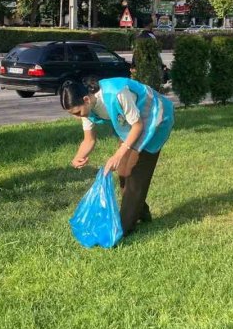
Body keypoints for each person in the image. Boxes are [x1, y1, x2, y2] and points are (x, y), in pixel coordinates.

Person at [61, 77, 174, 235]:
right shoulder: (87, 109)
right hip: (133, 124)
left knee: (134, 173)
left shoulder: (117, 93)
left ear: (86, 99)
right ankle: (142, 213)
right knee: (122, 172)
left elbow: (138, 125)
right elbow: (89, 140)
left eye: (77, 112)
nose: (78, 116)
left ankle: (123, 230)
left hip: (155, 119)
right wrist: (78, 157)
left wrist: (117, 155)